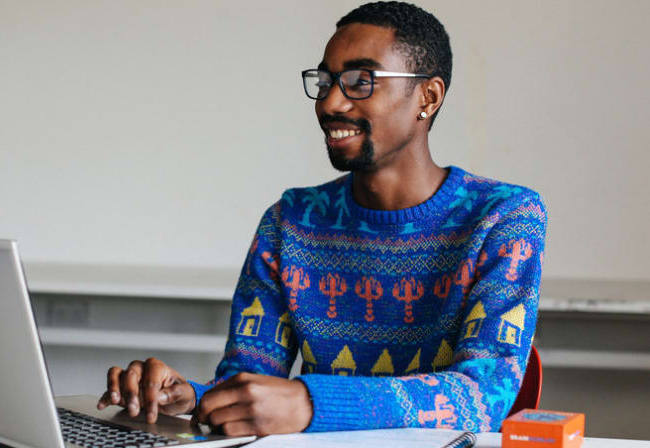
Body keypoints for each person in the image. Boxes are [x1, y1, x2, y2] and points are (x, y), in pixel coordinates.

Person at [97, 1, 547, 436]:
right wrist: (190, 399)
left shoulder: (504, 217)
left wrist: (311, 403)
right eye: (327, 80)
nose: (331, 102)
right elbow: (249, 380)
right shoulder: (291, 221)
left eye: (360, 80)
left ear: (426, 97)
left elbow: (485, 396)